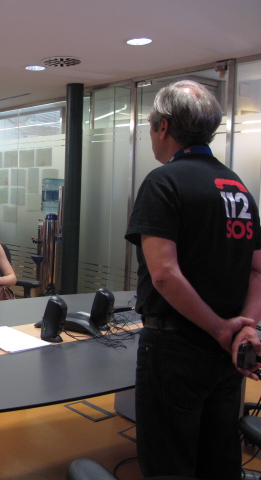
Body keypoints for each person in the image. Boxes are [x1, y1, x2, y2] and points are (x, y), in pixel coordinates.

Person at [124, 80, 261, 480]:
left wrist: (220, 329)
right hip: (228, 355)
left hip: (176, 349)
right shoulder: (238, 188)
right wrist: (246, 328)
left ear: (164, 127)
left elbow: (165, 275)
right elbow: (258, 270)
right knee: (218, 459)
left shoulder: (163, 182)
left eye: (151, 124)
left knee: (169, 463)